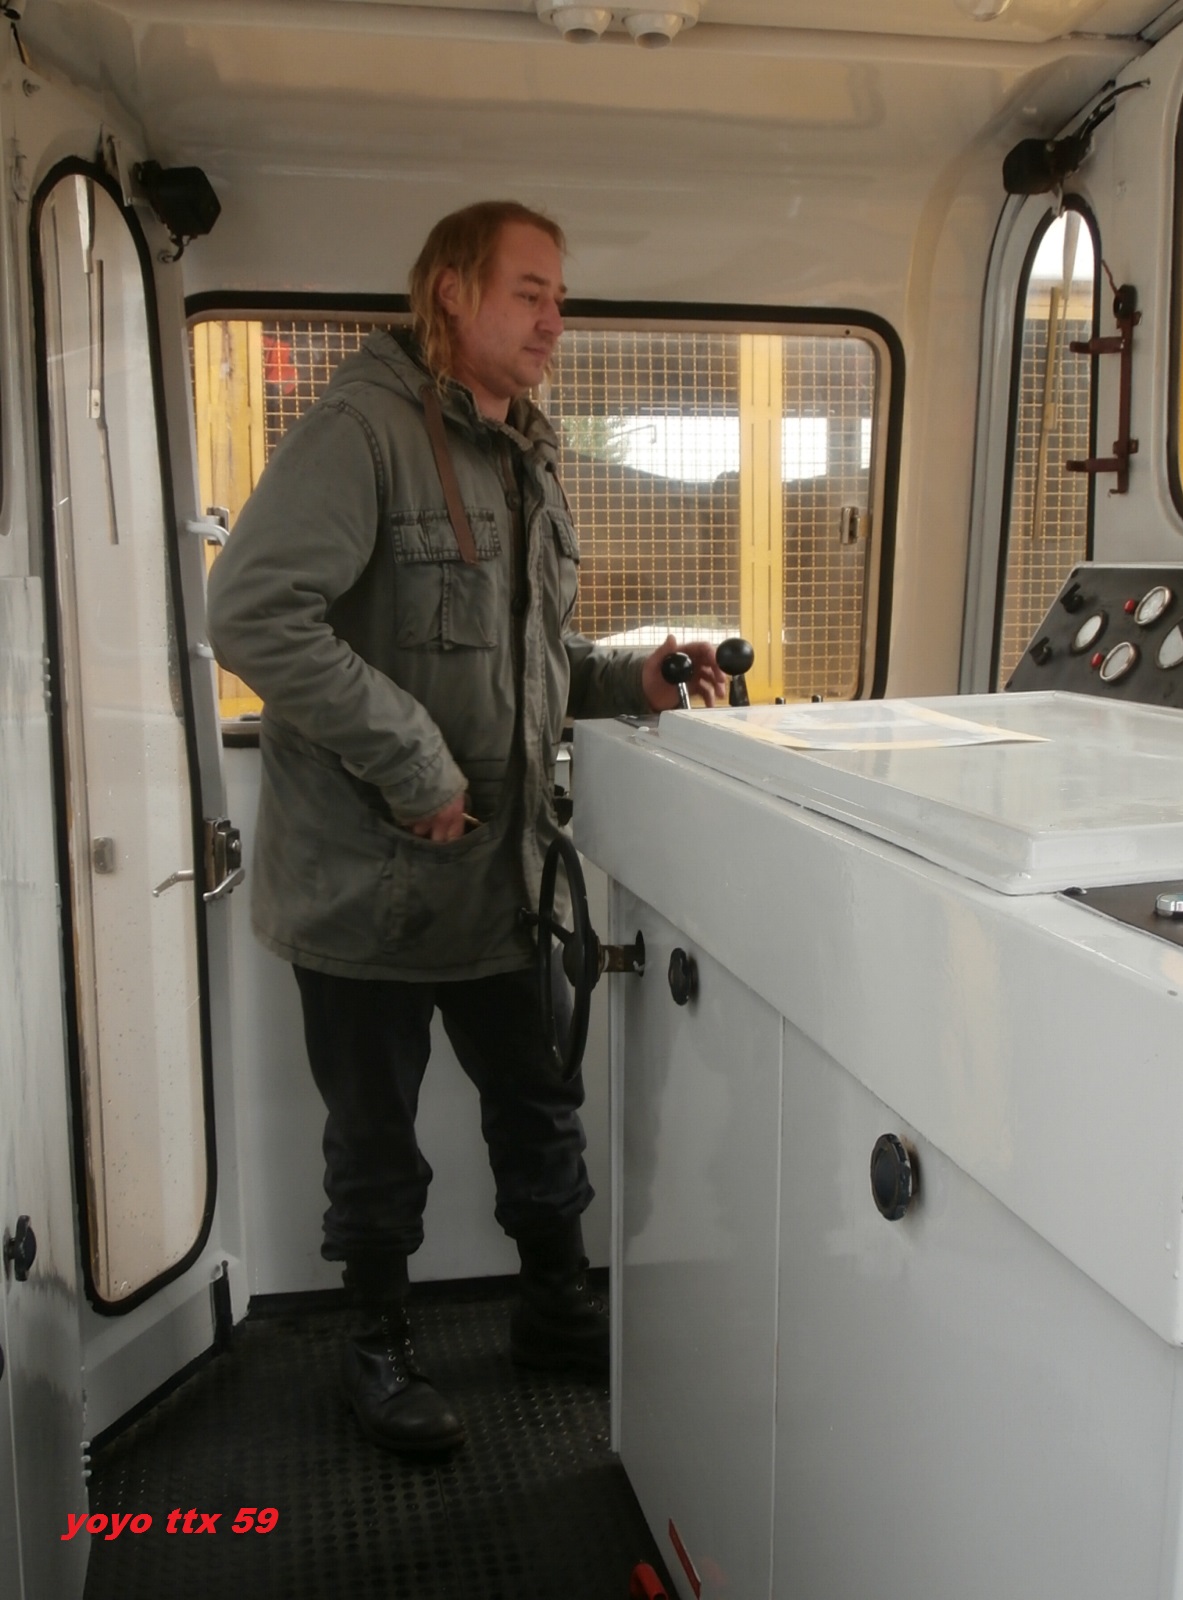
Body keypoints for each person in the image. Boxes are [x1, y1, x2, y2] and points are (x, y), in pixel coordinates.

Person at [206, 199, 725, 1460]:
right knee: (375, 1141)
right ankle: (378, 1349)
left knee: (541, 1104)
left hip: (501, 876)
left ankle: (554, 1306)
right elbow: (254, 614)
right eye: (529, 293)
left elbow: (524, 658)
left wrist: (636, 673)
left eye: (560, 298)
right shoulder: (361, 433)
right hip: (370, 884)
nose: (555, 320)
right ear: (451, 290)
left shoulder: (521, 453)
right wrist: (412, 758)